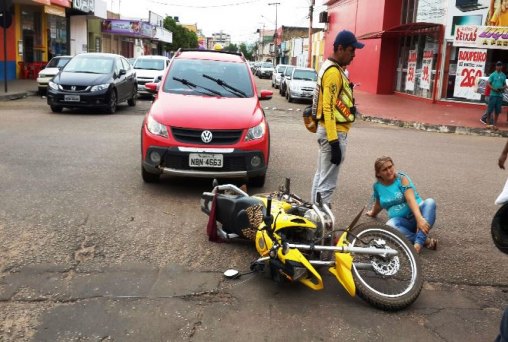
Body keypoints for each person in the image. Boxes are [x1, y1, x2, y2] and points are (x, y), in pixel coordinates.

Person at [310, 30, 364, 206]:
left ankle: (313, 217)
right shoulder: (333, 72)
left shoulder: (330, 67)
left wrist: (349, 110)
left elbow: (334, 103)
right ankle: (320, 225)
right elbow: (328, 109)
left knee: (321, 177)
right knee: (327, 184)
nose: (354, 55)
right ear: (340, 49)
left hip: (326, 131)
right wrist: (334, 143)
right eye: (351, 50)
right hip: (333, 133)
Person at [366, 156, 438, 254]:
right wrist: (373, 213)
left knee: (430, 202)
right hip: (402, 223)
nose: (389, 171)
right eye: (384, 169)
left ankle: (418, 244)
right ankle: (426, 241)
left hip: (418, 215)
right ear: (378, 173)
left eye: (390, 167)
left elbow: (410, 199)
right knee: (390, 225)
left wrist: (419, 219)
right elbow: (379, 203)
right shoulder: (377, 186)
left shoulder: (402, 178)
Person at [485, 61, 507, 130]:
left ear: (501, 67)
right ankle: (487, 124)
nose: (499, 67)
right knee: (490, 110)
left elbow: (505, 85)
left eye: (500, 65)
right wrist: (493, 89)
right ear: (496, 67)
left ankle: (495, 124)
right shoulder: (492, 75)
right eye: (497, 65)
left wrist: (502, 88)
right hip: (493, 95)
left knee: (497, 111)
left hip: (499, 96)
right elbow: (488, 83)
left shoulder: (503, 75)